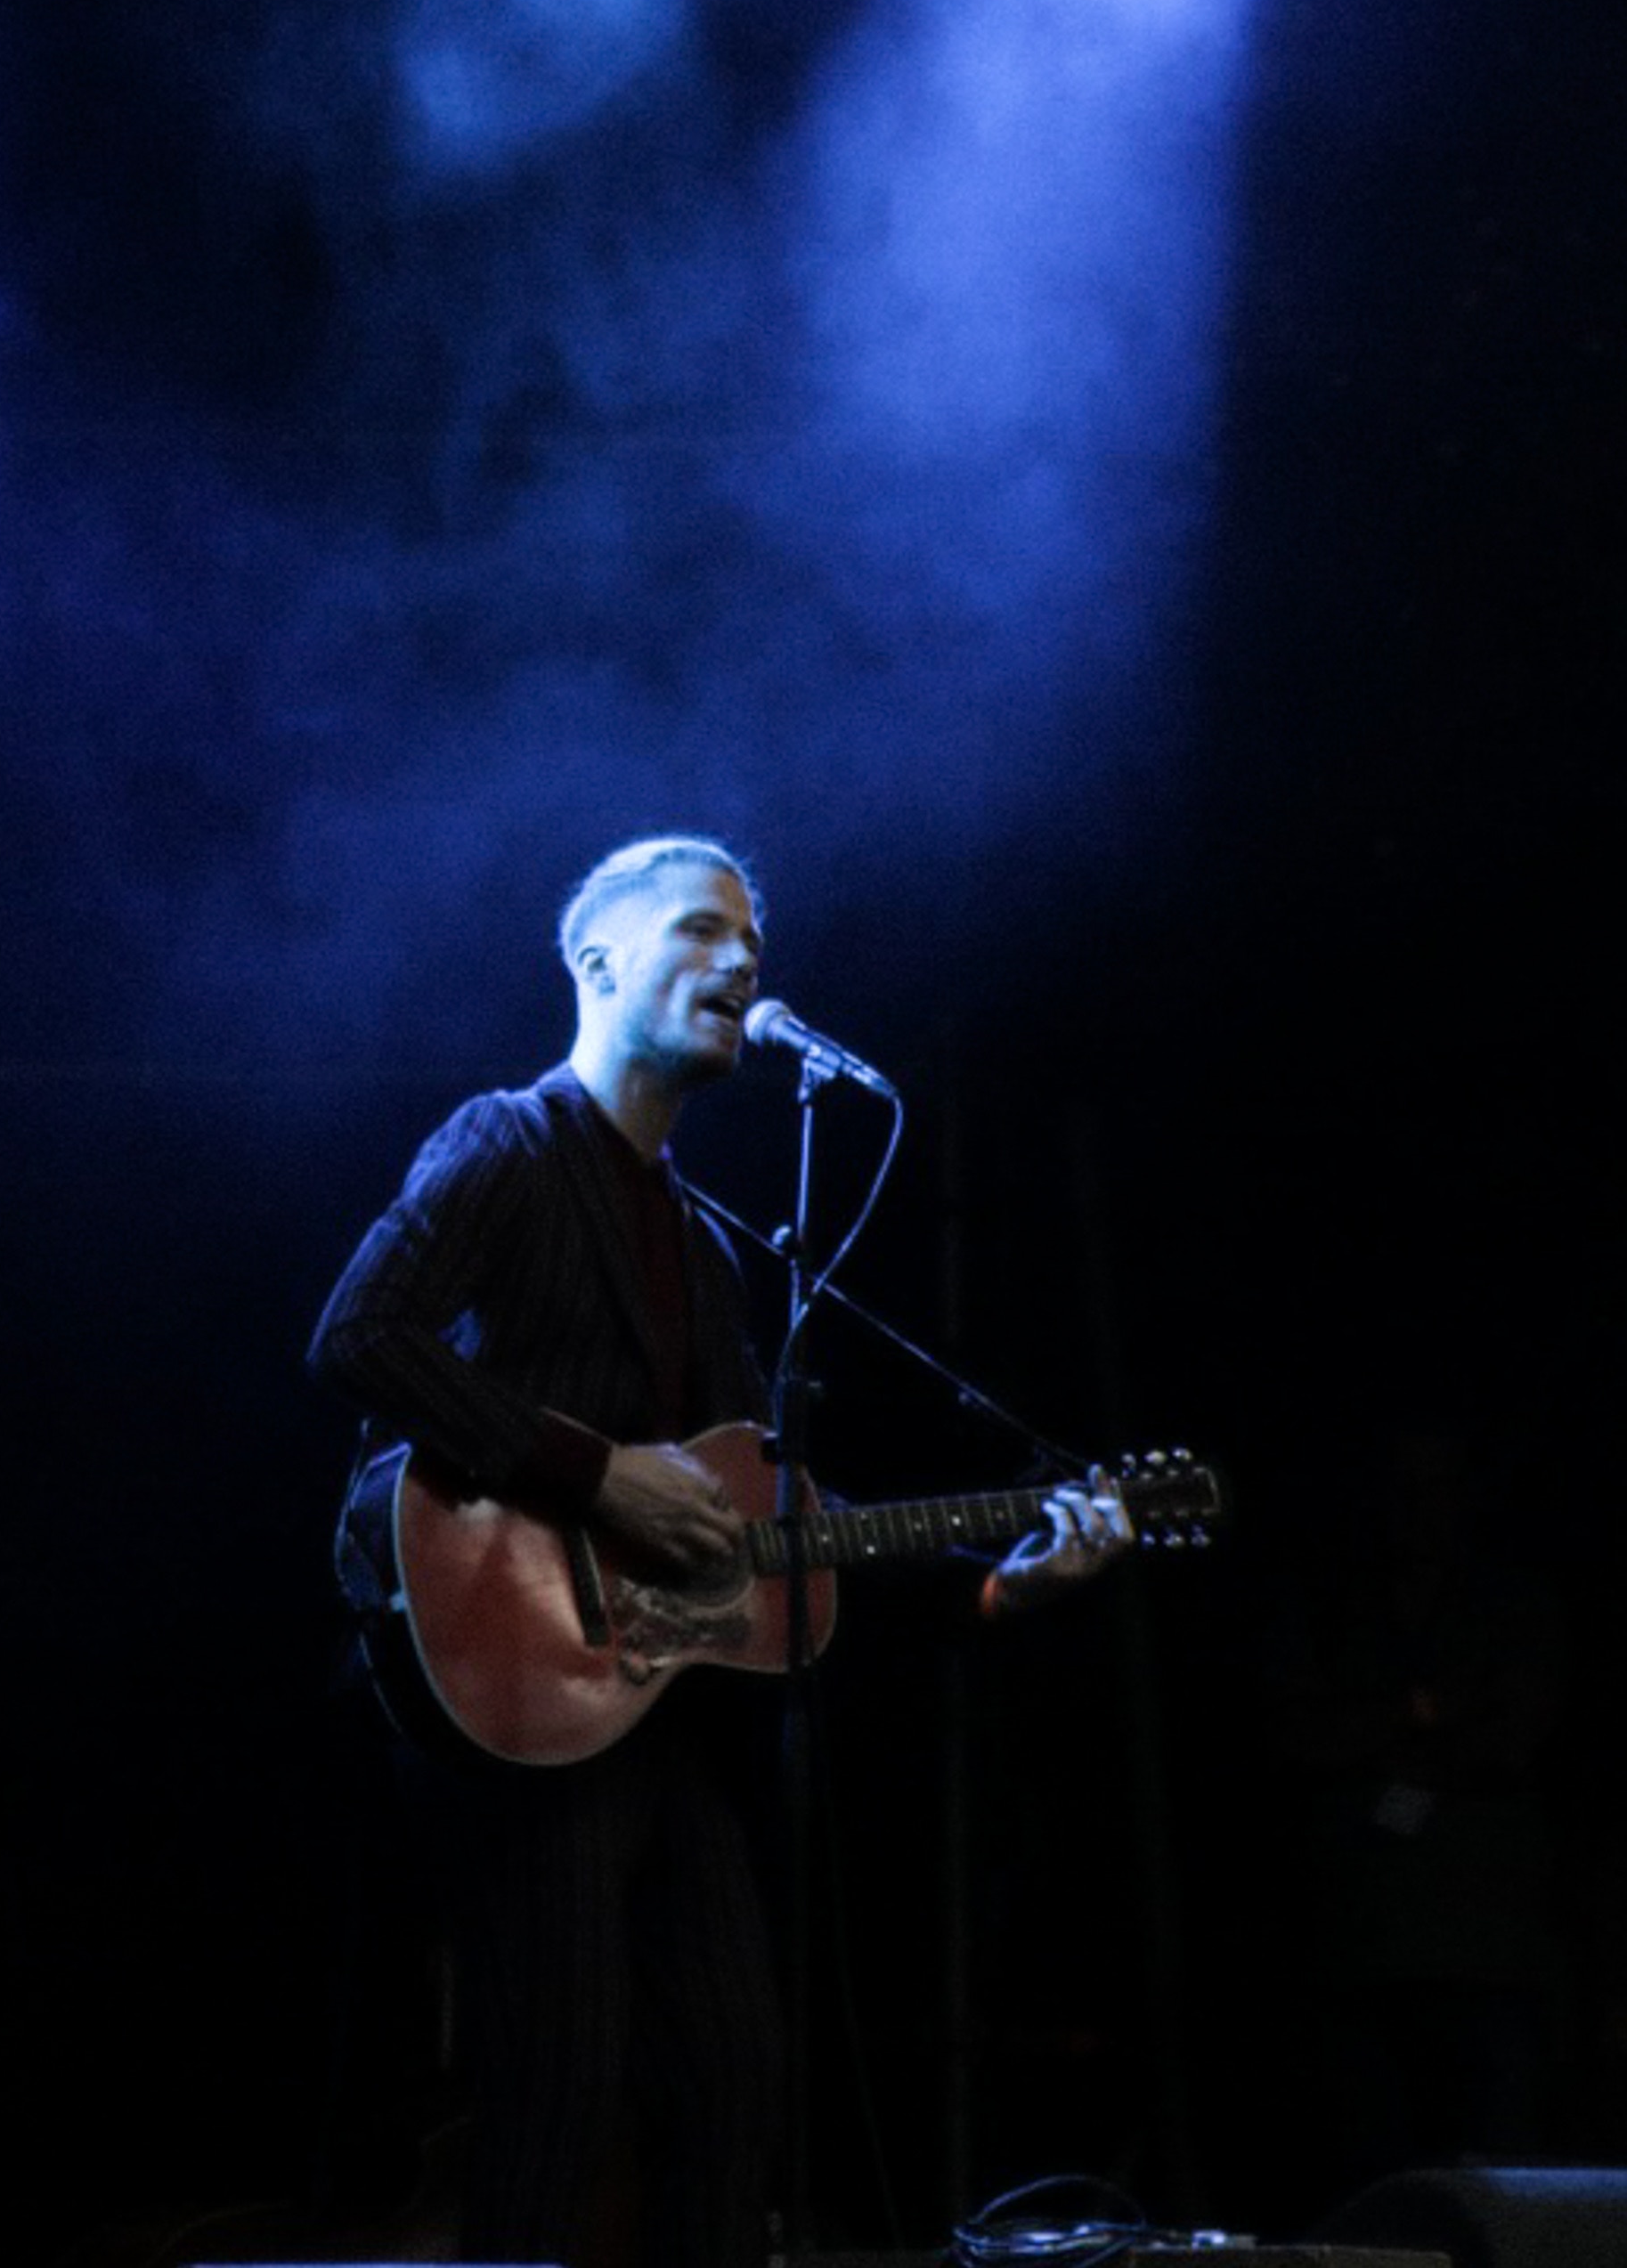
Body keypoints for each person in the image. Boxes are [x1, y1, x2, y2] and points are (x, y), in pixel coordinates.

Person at [310, 834, 1122, 2268]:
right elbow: (358, 1337)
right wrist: (593, 1470)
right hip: (516, 1691)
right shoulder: (507, 1139)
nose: (743, 961)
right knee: (557, 2088)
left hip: (661, 1712)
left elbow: (771, 1530)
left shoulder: (706, 1237)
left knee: (734, 2084)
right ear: (597, 961)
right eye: (701, 930)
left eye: (754, 938)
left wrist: (997, 1578)